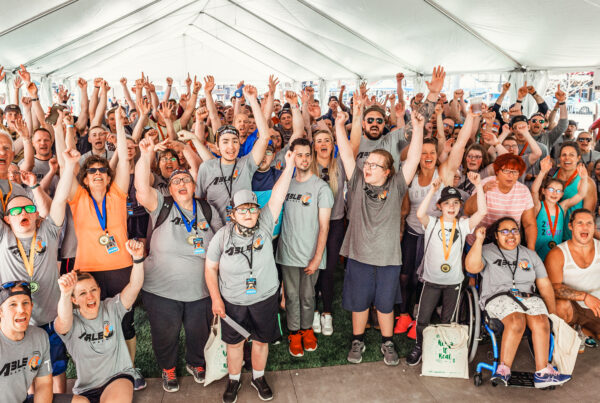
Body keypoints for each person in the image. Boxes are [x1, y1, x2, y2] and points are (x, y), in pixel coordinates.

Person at [334, 62, 431, 364]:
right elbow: (347, 153)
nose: (368, 166)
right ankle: (358, 341)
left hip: (389, 258)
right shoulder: (358, 179)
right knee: (359, 303)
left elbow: (414, 157)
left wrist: (419, 128)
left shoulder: (399, 184)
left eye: (375, 164)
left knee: (386, 305)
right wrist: (340, 124)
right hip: (360, 256)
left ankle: (388, 343)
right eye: (368, 163)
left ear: (388, 171)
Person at [206, 151, 296, 403]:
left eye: (252, 209)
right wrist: (216, 299)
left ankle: (258, 376)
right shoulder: (222, 237)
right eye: (242, 210)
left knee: (260, 341)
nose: (248, 213)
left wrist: (289, 166)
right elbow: (210, 268)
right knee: (234, 345)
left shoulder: (266, 223)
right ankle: (233, 381)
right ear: (232, 214)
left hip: (264, 297)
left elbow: (277, 196)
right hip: (233, 300)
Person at [134, 137, 222, 392]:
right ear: (169, 188)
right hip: (161, 289)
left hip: (201, 288)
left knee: (199, 330)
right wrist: (146, 154)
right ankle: (168, 368)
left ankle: (195, 363)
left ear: (194, 186)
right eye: (175, 181)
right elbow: (141, 187)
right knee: (165, 333)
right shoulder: (161, 205)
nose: (181, 184)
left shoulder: (206, 209)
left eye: (186, 180)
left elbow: (220, 244)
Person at [66, 107, 145, 389]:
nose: (97, 173)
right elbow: (70, 162)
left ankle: (130, 370)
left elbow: (124, 158)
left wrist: (121, 125)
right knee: (89, 324)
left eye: (102, 170)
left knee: (125, 323)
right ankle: (97, 373)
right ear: (85, 178)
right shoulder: (77, 198)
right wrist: (64, 130)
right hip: (88, 271)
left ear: (108, 176)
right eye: (92, 171)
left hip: (121, 267)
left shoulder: (117, 192)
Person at [0, 147, 79, 393]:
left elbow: (60, 199)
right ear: (6, 220)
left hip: (49, 318)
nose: (22, 213)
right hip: (17, 319)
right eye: (15, 211)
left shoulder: (48, 232)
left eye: (29, 209)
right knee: (25, 372)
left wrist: (69, 166)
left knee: (55, 367)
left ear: (38, 216)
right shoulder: (3, 237)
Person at [397, 108, 476, 336]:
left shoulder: (443, 173)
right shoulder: (409, 174)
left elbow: (459, 147)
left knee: (426, 280)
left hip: (437, 236)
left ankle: (419, 317)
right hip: (413, 232)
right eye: (423, 152)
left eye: (432, 152)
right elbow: (404, 208)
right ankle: (404, 315)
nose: (428, 156)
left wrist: (470, 118)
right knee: (405, 276)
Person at [465, 218, 571, 388]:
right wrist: (478, 240)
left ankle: (543, 372)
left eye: (514, 230)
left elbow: (544, 284)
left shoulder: (530, 255)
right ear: (496, 236)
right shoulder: (487, 251)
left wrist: (552, 314)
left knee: (542, 322)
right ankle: (503, 370)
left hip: (528, 297)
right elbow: (471, 268)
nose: (511, 235)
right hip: (498, 296)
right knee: (516, 320)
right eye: (504, 231)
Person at [405, 172, 486, 365]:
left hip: (453, 283)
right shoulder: (432, 223)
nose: (451, 207)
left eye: (456, 203)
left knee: (448, 319)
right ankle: (419, 346)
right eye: (447, 203)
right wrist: (433, 189)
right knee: (423, 318)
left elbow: (482, 212)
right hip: (432, 281)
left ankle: (441, 350)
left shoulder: (463, 225)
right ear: (439, 206)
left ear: (460, 207)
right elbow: (419, 214)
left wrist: (479, 186)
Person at [54, 239, 145, 403]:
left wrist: (137, 260)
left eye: (93, 290)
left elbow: (134, 286)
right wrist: (65, 293)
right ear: (74, 300)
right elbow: (63, 320)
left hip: (118, 377)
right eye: (82, 294)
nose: (90, 296)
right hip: (85, 389)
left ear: (99, 291)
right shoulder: (69, 320)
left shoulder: (112, 307)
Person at [276, 137, 333, 357]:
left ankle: (307, 330)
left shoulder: (321, 187)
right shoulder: (285, 183)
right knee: (291, 296)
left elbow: (324, 226)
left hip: (311, 254)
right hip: (288, 252)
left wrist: (318, 257)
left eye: (307, 154)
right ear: (291, 156)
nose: (304, 159)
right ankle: (294, 333)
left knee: (308, 296)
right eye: (299, 154)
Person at [194, 85, 270, 225]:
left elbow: (265, 136)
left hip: (242, 232)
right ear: (217, 146)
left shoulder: (246, 164)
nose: (231, 146)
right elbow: (198, 202)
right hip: (214, 233)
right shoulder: (207, 167)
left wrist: (253, 100)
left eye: (235, 141)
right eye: (225, 141)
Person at [0, 281, 84, 403]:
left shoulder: (39, 336)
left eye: (25, 303)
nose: (21, 310)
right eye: (13, 304)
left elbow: (44, 383)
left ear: (32, 306)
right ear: (1, 312)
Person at [310, 127, 347, 336]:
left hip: (334, 223)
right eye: (319, 141)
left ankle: (327, 313)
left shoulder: (340, 164)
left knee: (329, 268)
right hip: (312, 225)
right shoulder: (307, 166)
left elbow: (352, 144)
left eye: (327, 140)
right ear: (314, 146)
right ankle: (314, 309)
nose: (323, 144)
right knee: (313, 267)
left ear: (333, 145)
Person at [545, 209, 600, 342]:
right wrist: (584, 296)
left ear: (594, 226)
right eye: (580, 223)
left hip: (597, 306)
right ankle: (571, 333)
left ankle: (586, 332)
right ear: (570, 226)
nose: (585, 227)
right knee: (560, 305)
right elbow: (553, 288)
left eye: (589, 223)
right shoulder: (557, 253)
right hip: (574, 307)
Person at [464, 153, 537, 250]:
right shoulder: (485, 183)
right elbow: (468, 210)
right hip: (479, 242)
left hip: (509, 245)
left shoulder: (523, 191)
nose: (510, 175)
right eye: (506, 170)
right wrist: (482, 190)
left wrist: (531, 250)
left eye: (515, 172)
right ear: (497, 171)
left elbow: (529, 224)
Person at [532, 157, 588, 261]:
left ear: (562, 194)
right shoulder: (539, 206)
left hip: (556, 254)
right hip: (537, 253)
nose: (554, 193)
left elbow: (581, 195)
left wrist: (584, 179)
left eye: (558, 191)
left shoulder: (562, 207)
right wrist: (542, 172)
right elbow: (534, 191)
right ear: (543, 191)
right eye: (551, 189)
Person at [553, 141, 597, 240]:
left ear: (578, 158)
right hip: (550, 233)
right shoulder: (550, 176)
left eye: (571, 155)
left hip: (572, 237)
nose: (567, 158)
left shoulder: (587, 182)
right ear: (559, 158)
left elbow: (588, 215)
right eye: (563, 155)